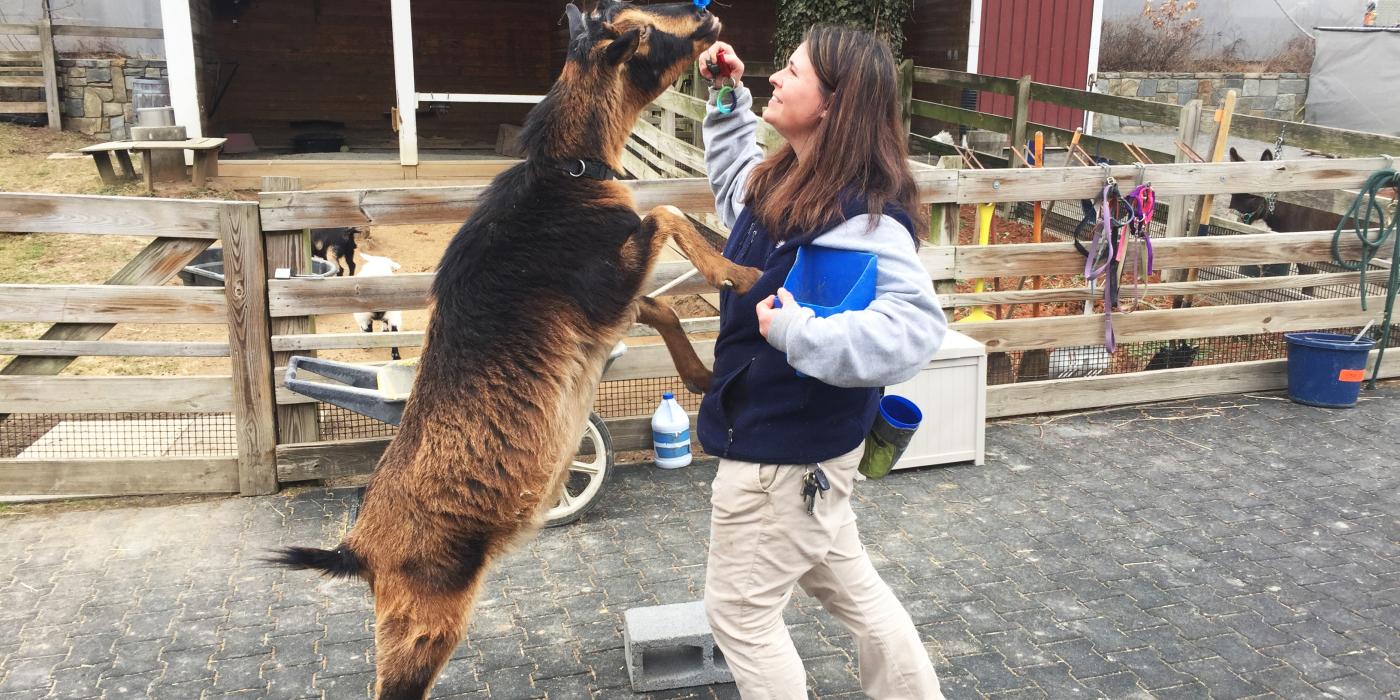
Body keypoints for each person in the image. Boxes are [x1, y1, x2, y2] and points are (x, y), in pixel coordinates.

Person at [695, 24, 947, 700]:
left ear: (835, 103)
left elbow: (916, 329)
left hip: (783, 455)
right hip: (810, 452)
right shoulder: (793, 178)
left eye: (795, 71)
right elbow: (735, 199)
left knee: (741, 615)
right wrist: (725, 101)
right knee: (856, 592)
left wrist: (798, 332)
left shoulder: (862, 216)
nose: (774, 77)